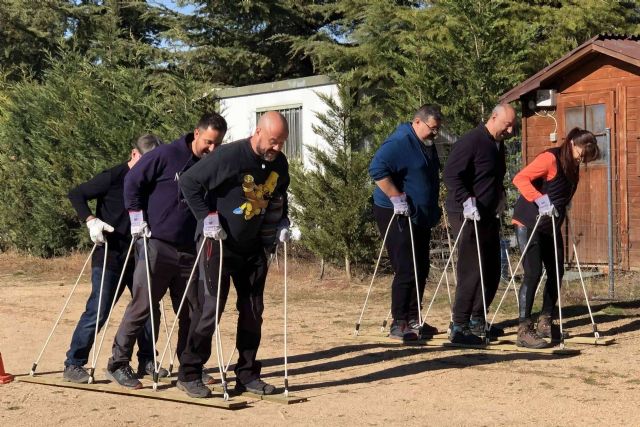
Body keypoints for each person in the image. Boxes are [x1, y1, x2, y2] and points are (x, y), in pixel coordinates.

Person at [106, 113, 227, 394]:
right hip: (157, 243)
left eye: (217, 144)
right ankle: (118, 362)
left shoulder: (210, 164)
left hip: (191, 248)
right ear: (197, 133)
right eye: (208, 142)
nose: (212, 149)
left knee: (192, 310)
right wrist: (136, 215)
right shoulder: (165, 154)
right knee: (143, 304)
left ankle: (189, 368)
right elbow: (132, 180)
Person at [178, 111, 290, 398]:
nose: (276, 148)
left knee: (254, 311)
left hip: (252, 247)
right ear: (258, 132)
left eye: (282, 143)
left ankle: (248, 374)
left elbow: (279, 195)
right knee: (210, 309)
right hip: (218, 243)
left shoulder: (278, 162)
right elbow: (189, 182)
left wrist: (282, 222)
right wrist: (206, 218)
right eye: (273, 142)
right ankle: (190, 372)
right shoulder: (229, 156)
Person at [63, 135, 161, 383]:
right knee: (99, 310)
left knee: (149, 309)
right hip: (110, 254)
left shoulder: (150, 181)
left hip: (139, 254)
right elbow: (77, 194)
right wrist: (90, 220)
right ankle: (73, 363)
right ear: (134, 154)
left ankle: (147, 360)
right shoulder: (114, 177)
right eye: (147, 160)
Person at [512, 128, 599, 348]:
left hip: (550, 225)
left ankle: (545, 321)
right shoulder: (550, 159)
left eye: (585, 159)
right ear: (571, 144)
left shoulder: (573, 167)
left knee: (557, 271)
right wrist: (540, 199)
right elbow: (520, 179)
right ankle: (524, 329)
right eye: (581, 155)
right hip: (529, 222)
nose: (582, 161)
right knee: (533, 273)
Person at [368, 104, 443, 340]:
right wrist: (395, 196)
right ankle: (398, 322)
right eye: (432, 128)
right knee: (406, 267)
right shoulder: (400, 142)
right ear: (418, 122)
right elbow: (377, 168)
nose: (435, 133)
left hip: (419, 215)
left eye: (438, 129)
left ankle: (414, 318)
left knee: (421, 266)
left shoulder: (426, 144)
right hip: (396, 212)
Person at [443, 103, 515, 344]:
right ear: (494, 117)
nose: (510, 130)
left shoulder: (498, 144)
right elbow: (451, 174)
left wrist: (501, 197)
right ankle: (459, 325)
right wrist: (466, 200)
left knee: (493, 268)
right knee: (472, 268)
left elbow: (494, 176)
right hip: (466, 212)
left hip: (488, 213)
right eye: (507, 125)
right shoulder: (472, 140)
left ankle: (477, 319)